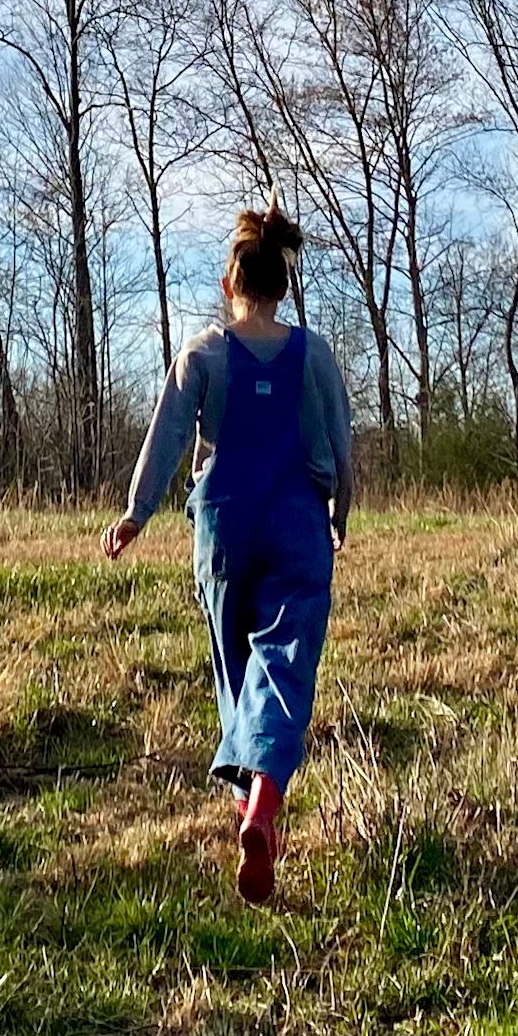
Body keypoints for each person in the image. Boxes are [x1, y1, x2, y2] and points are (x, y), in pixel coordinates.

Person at [102, 203, 352, 903]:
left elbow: (168, 436)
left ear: (229, 282)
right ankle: (266, 797)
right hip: (298, 518)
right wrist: (342, 511)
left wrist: (136, 513)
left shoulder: (204, 353)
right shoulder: (315, 354)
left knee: (235, 669)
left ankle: (254, 813)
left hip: (223, 519)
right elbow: (340, 438)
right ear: (282, 284)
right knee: (285, 663)